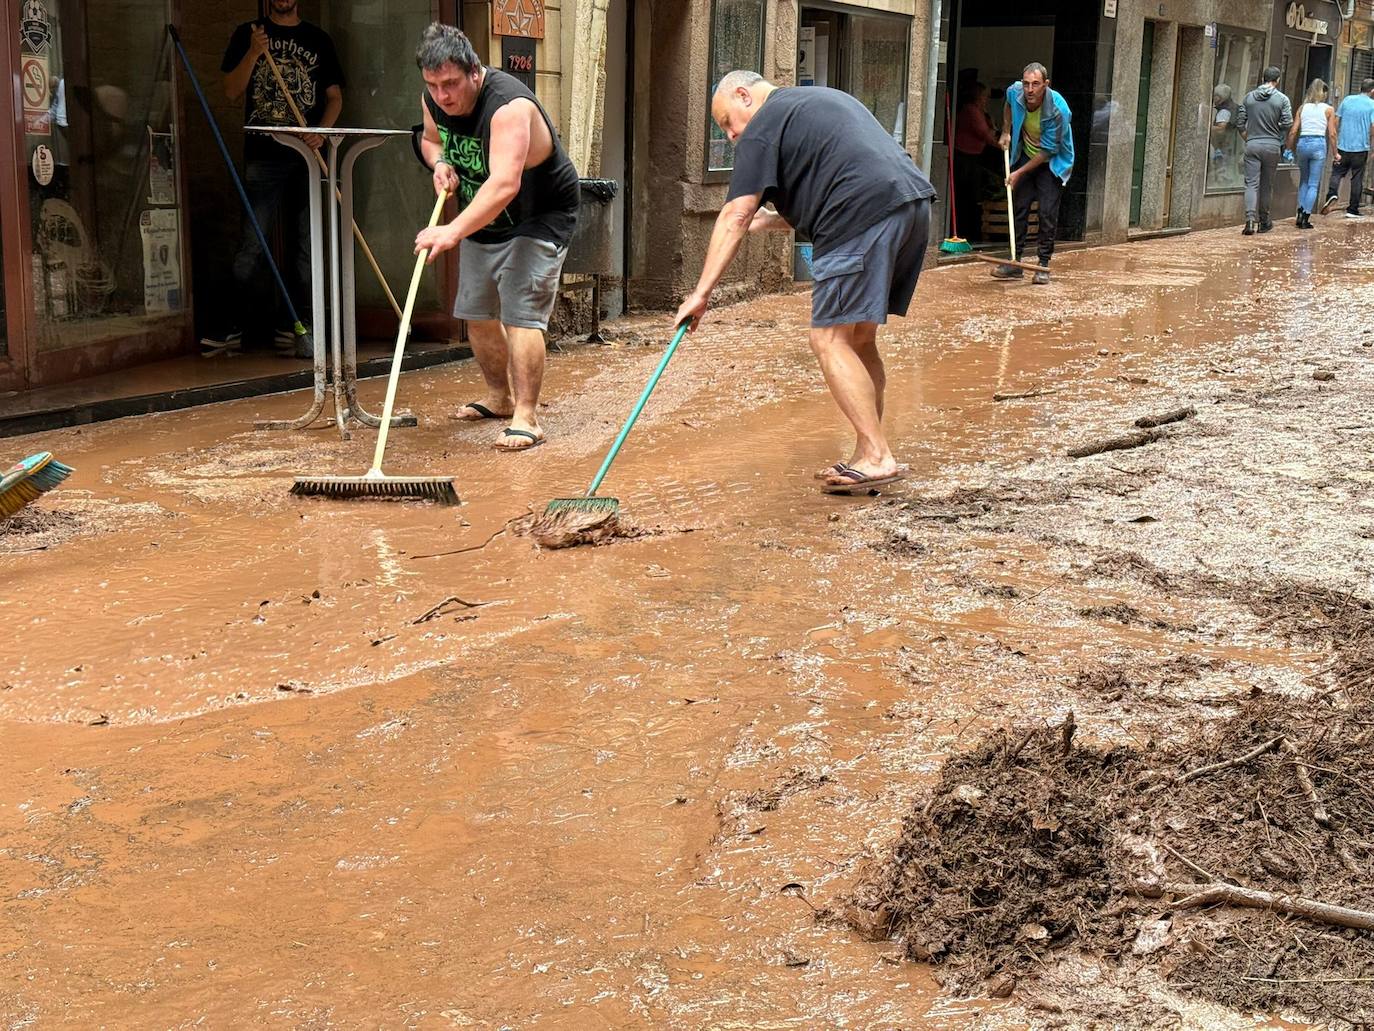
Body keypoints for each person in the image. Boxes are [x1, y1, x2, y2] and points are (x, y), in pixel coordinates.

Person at [672, 71, 935, 495]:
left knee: (828, 340)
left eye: (727, 122)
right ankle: (867, 451)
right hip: (911, 208)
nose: (733, 134)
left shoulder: (762, 127)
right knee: (860, 338)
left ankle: (876, 454)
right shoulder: (817, 101)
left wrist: (701, 294)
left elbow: (734, 216)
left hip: (861, 217)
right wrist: (774, 221)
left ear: (744, 95)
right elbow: (836, 175)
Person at [412, 24, 579, 451]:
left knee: (521, 312)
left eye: (450, 84)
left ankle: (527, 417)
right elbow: (431, 142)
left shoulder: (508, 106)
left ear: (474, 72)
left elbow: (505, 183)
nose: (443, 95)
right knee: (477, 311)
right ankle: (500, 399)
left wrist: (451, 230)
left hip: (538, 214)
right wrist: (439, 163)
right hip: (484, 214)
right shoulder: (434, 99)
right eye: (433, 85)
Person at [213, 0, 344, 356]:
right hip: (263, 154)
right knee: (252, 243)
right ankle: (232, 328)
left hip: (306, 153)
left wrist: (321, 130)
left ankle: (301, 326)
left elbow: (334, 97)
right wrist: (255, 53)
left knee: (307, 245)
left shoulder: (318, 39)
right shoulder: (249, 34)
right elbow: (230, 90)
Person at [992, 62, 1073, 285]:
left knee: (1047, 212)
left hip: (1051, 161)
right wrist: (1006, 131)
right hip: (1026, 153)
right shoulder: (1015, 91)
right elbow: (1008, 104)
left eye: (1035, 84)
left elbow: (1048, 151)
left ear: (1045, 85)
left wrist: (1018, 173)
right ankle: (1014, 262)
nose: (1029, 89)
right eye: (1026, 83)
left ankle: (1042, 265)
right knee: (1019, 207)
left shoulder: (1058, 110)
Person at [1234, 67, 1292, 235]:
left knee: (1251, 184)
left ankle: (1249, 221)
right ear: (1278, 80)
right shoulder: (1282, 99)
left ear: (1262, 78)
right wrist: (1276, 131)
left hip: (1252, 145)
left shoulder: (1249, 98)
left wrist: (1248, 138)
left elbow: (1240, 123)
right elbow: (1288, 123)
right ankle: (1264, 221)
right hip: (1272, 146)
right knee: (1267, 185)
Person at [1320, 78, 1374, 220]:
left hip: (1343, 146)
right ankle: (1352, 209)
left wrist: (1336, 139)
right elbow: (1373, 127)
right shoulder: (1372, 105)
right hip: (1361, 148)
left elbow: (1336, 121)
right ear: (1372, 91)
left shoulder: (1347, 100)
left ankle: (1332, 194)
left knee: (1337, 172)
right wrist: (1371, 141)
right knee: (1357, 178)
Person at [952, 81, 999, 243]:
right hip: (965, 159)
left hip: (974, 157)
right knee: (968, 197)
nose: (987, 99)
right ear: (977, 97)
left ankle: (971, 232)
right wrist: (993, 125)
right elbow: (986, 135)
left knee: (972, 196)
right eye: (985, 96)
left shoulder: (978, 111)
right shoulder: (971, 111)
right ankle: (968, 233)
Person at [1287, 78, 1335, 229]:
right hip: (1318, 144)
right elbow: (1332, 133)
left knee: (1304, 181)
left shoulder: (1302, 108)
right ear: (1323, 93)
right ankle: (1306, 217)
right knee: (1313, 184)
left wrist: (1288, 148)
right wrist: (1336, 152)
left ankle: (1299, 212)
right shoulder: (1328, 109)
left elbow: (1294, 130)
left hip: (1302, 143)